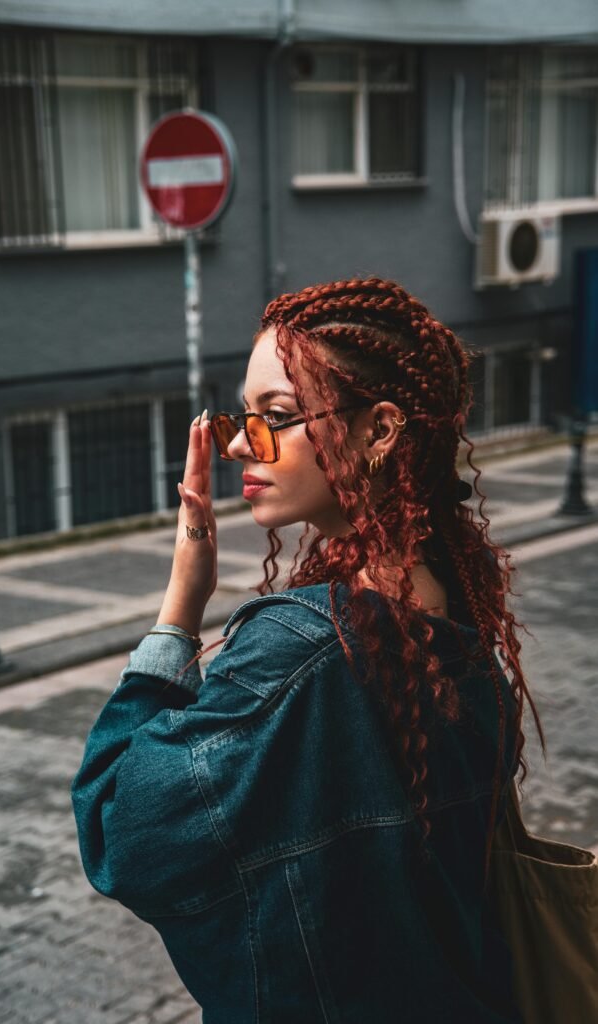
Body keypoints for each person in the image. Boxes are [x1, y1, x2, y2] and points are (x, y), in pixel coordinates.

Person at [71, 276, 543, 1023]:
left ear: (379, 430)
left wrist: (178, 611)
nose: (234, 443)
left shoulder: (300, 651)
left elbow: (119, 832)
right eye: (242, 417)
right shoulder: (453, 618)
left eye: (275, 418)